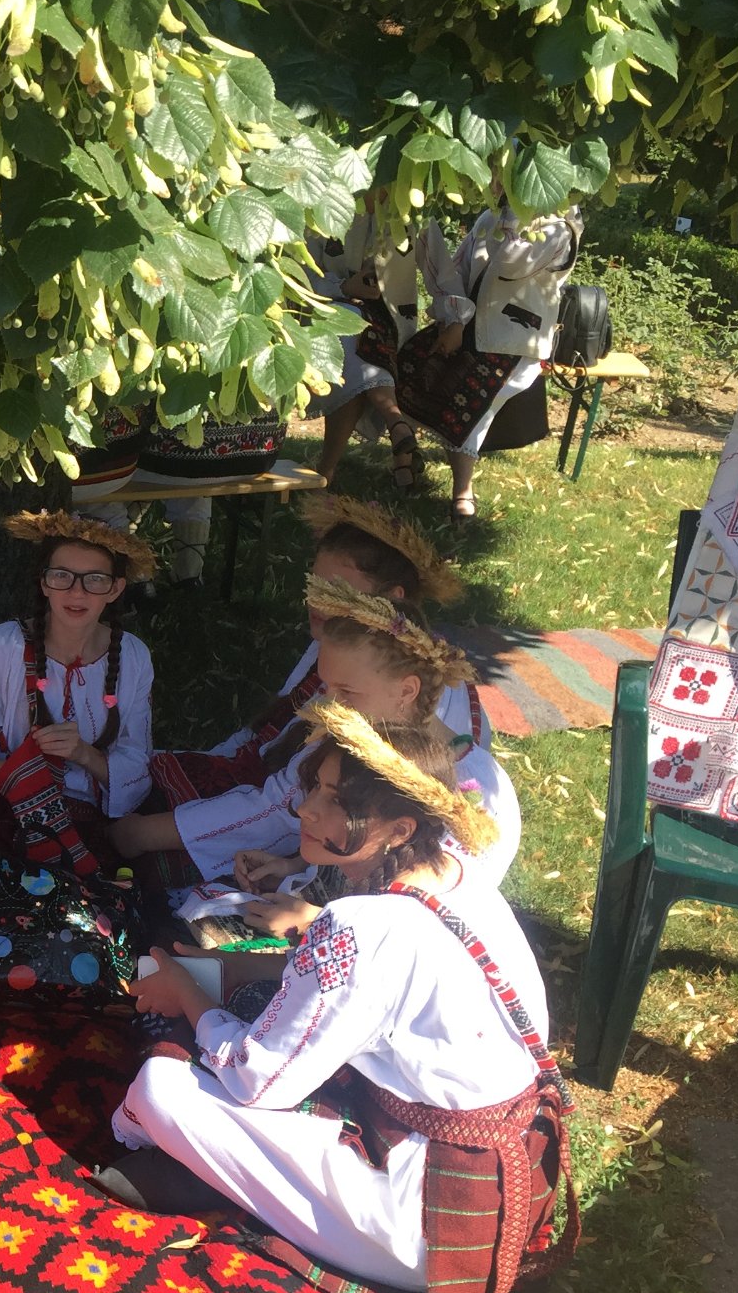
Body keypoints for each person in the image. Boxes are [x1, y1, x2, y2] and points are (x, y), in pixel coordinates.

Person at [102, 703, 575, 1293]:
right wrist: (230, 974)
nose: (306, 810)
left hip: (429, 1225)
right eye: (315, 789)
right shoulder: (461, 880)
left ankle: (186, 1166)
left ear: (398, 828)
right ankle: (211, 1175)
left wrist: (187, 994)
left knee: (164, 1088)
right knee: (260, 1024)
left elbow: (256, 1079)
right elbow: (360, 986)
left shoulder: (361, 926)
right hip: (509, 1186)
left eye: (333, 801)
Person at [112, 575, 519, 938]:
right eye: (326, 690)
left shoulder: (468, 795)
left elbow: (427, 927)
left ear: (406, 691)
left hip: (374, 957)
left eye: (346, 693)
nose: (329, 706)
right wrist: (291, 866)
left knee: (178, 938)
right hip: (332, 913)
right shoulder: (364, 749)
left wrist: (311, 920)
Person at [148, 493, 479, 826]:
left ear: (392, 599)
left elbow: (299, 802)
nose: (316, 602)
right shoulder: (338, 644)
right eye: (314, 584)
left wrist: (151, 830)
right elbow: (273, 729)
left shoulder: (398, 695)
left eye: (336, 591)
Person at [0, 510, 156, 954]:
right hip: (5, 814)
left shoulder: (133, 656)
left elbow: (137, 763)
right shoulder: (2, 647)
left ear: (116, 588)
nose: (76, 592)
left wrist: (85, 754)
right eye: (62, 576)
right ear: (44, 582)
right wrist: (17, 774)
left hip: (86, 823)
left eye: (94, 580)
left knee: (90, 929)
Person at [378, 191, 583, 517]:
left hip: (513, 340)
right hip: (471, 329)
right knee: (407, 366)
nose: (499, 183)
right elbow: (458, 270)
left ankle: (463, 494)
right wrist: (454, 321)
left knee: (471, 401)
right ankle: (405, 457)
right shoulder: (490, 218)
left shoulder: (559, 229)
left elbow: (509, 264)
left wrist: (514, 214)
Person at [310, 195, 421, 485]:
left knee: (355, 358)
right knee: (351, 338)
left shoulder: (412, 210)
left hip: (393, 321)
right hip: (333, 310)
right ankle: (395, 423)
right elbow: (303, 274)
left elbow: (440, 269)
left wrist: (455, 317)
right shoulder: (325, 205)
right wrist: (345, 287)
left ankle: (326, 470)